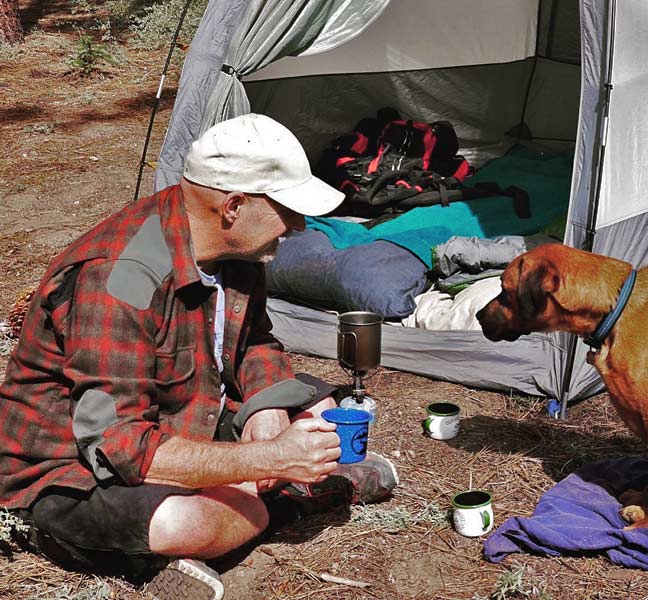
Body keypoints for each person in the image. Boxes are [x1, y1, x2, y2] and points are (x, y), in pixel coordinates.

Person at [0, 114, 396, 600]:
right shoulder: (120, 278)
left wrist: (267, 408)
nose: (296, 225)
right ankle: (298, 498)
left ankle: (254, 496)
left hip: (186, 414)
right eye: (287, 209)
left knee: (325, 414)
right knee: (188, 522)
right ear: (233, 205)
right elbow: (119, 445)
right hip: (71, 468)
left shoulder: (238, 249)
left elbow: (254, 341)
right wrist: (265, 459)